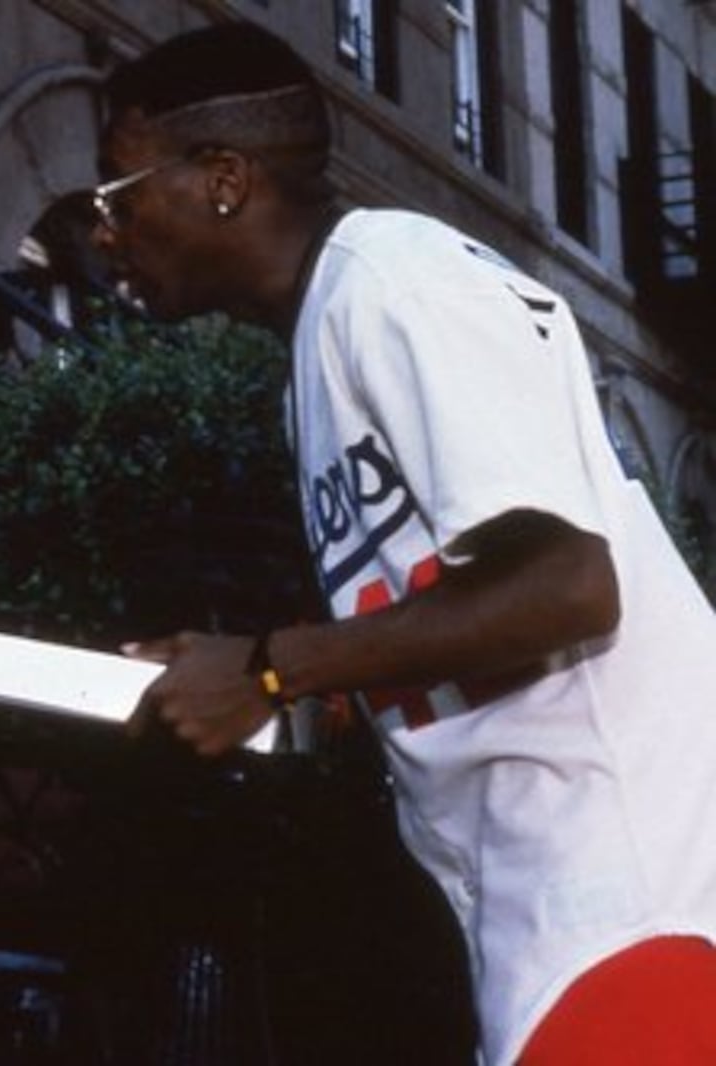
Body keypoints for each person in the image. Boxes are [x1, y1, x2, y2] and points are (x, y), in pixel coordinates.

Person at [97, 22, 716, 1066]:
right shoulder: (322, 348)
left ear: (221, 180)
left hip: (636, 902)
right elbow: (456, 618)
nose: (105, 233)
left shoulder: (396, 278)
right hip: (548, 928)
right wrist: (282, 691)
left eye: (116, 196)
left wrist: (269, 668)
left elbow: (568, 585)